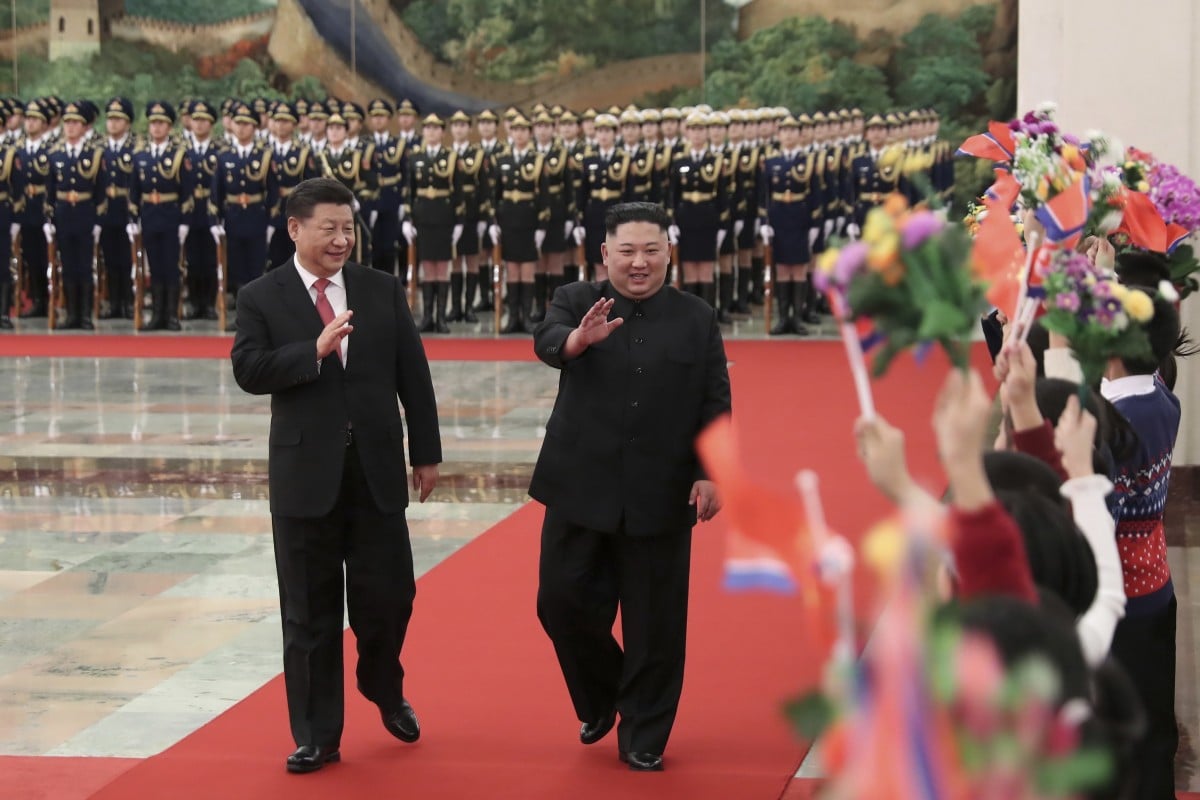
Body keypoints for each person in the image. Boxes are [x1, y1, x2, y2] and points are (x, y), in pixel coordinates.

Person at [230, 177, 442, 775]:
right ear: (295, 229)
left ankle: (381, 680)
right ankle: (317, 735)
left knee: (390, 598)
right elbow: (248, 368)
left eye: (348, 227)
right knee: (307, 612)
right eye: (328, 228)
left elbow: (413, 374)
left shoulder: (379, 289)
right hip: (305, 477)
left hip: (374, 471)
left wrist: (425, 452)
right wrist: (312, 352)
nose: (341, 239)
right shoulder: (261, 296)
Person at [530, 201, 730, 772]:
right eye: (626, 252)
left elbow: (715, 399)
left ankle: (644, 731)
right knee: (560, 602)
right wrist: (578, 342)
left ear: (669, 252)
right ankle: (602, 695)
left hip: (661, 490)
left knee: (655, 621)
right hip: (579, 485)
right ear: (605, 255)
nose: (638, 263)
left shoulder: (696, 317)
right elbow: (548, 341)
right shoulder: (575, 300)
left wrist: (710, 471)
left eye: (651, 251)